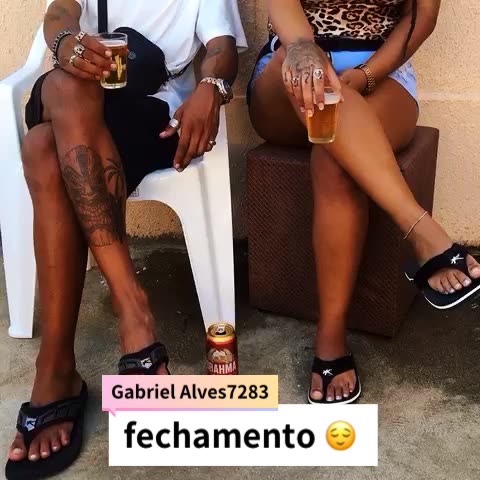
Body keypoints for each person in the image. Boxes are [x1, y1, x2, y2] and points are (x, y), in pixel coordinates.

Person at [5, 0, 246, 478]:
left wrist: (210, 87)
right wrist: (67, 43)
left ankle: (55, 369)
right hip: (71, 94)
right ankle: (132, 309)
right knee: (67, 84)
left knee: (41, 147)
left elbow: (221, 47)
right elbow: (60, 11)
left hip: (150, 110)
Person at [248, 0, 480, 405]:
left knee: (335, 160)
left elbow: (422, 17)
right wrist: (304, 49)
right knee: (306, 69)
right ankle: (422, 232)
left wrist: (365, 75)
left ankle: (330, 339)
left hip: (381, 75)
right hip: (289, 72)